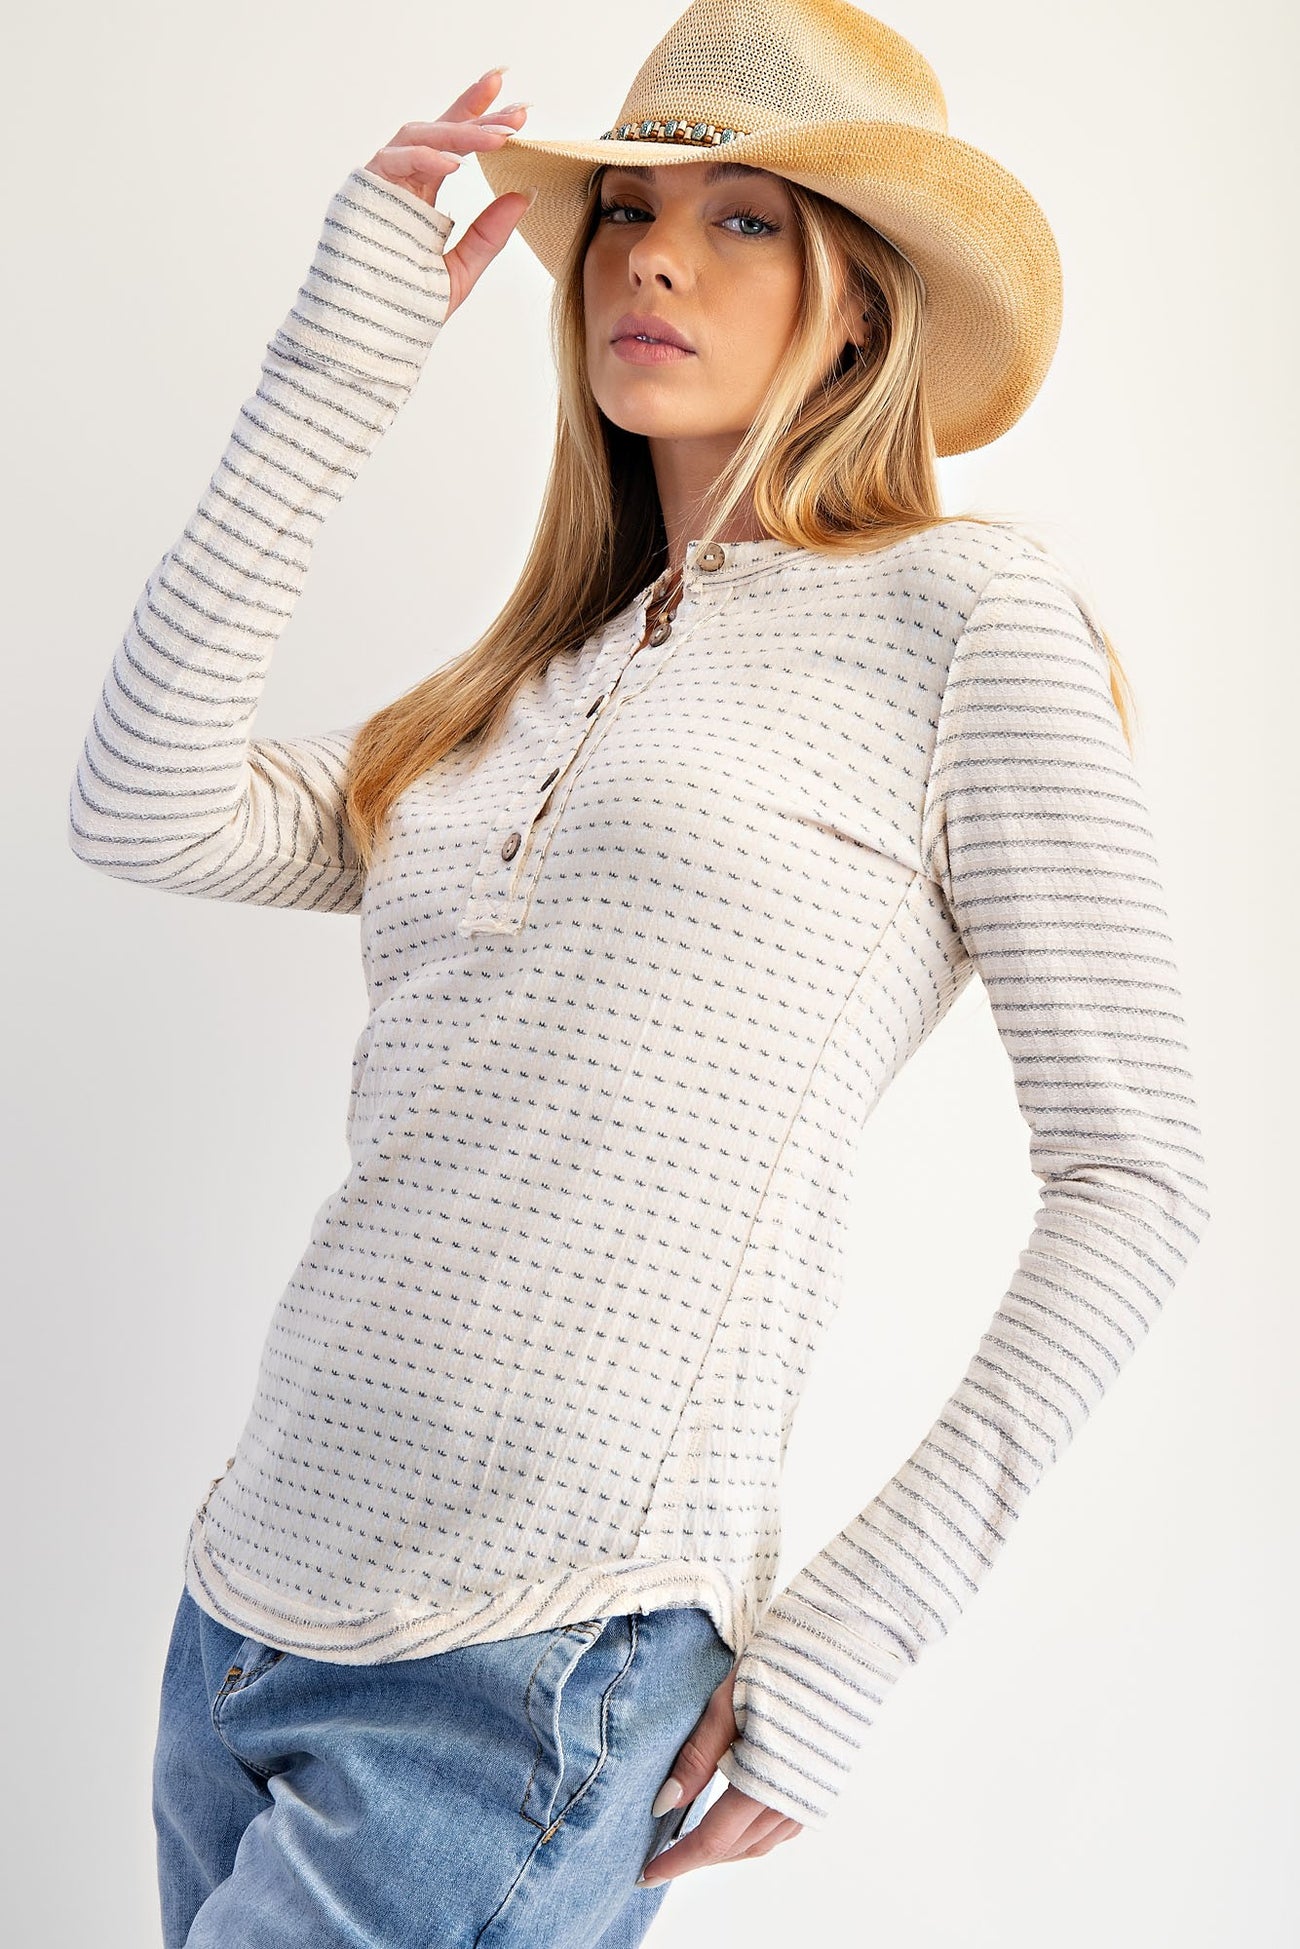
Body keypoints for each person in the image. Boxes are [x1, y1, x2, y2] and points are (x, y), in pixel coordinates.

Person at [65, 2, 1212, 1944]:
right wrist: (337, 368)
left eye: (743, 219)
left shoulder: (961, 618)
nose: (652, 258)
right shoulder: (526, 687)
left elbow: (1138, 1172)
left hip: (535, 1648)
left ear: (858, 309)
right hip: (243, 1608)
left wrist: (854, 1633)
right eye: (622, 211)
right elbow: (141, 804)